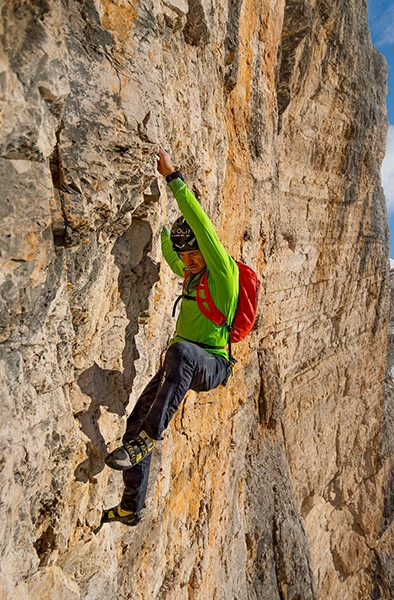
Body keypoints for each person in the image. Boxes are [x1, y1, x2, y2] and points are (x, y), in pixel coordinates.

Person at [101, 147, 239, 526]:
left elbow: (203, 226)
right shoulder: (191, 274)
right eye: (186, 255)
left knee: (181, 351)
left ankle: (151, 435)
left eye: (195, 253)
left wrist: (173, 177)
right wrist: (161, 226)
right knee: (134, 423)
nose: (190, 261)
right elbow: (170, 253)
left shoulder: (223, 275)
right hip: (181, 363)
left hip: (213, 364)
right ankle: (131, 507)